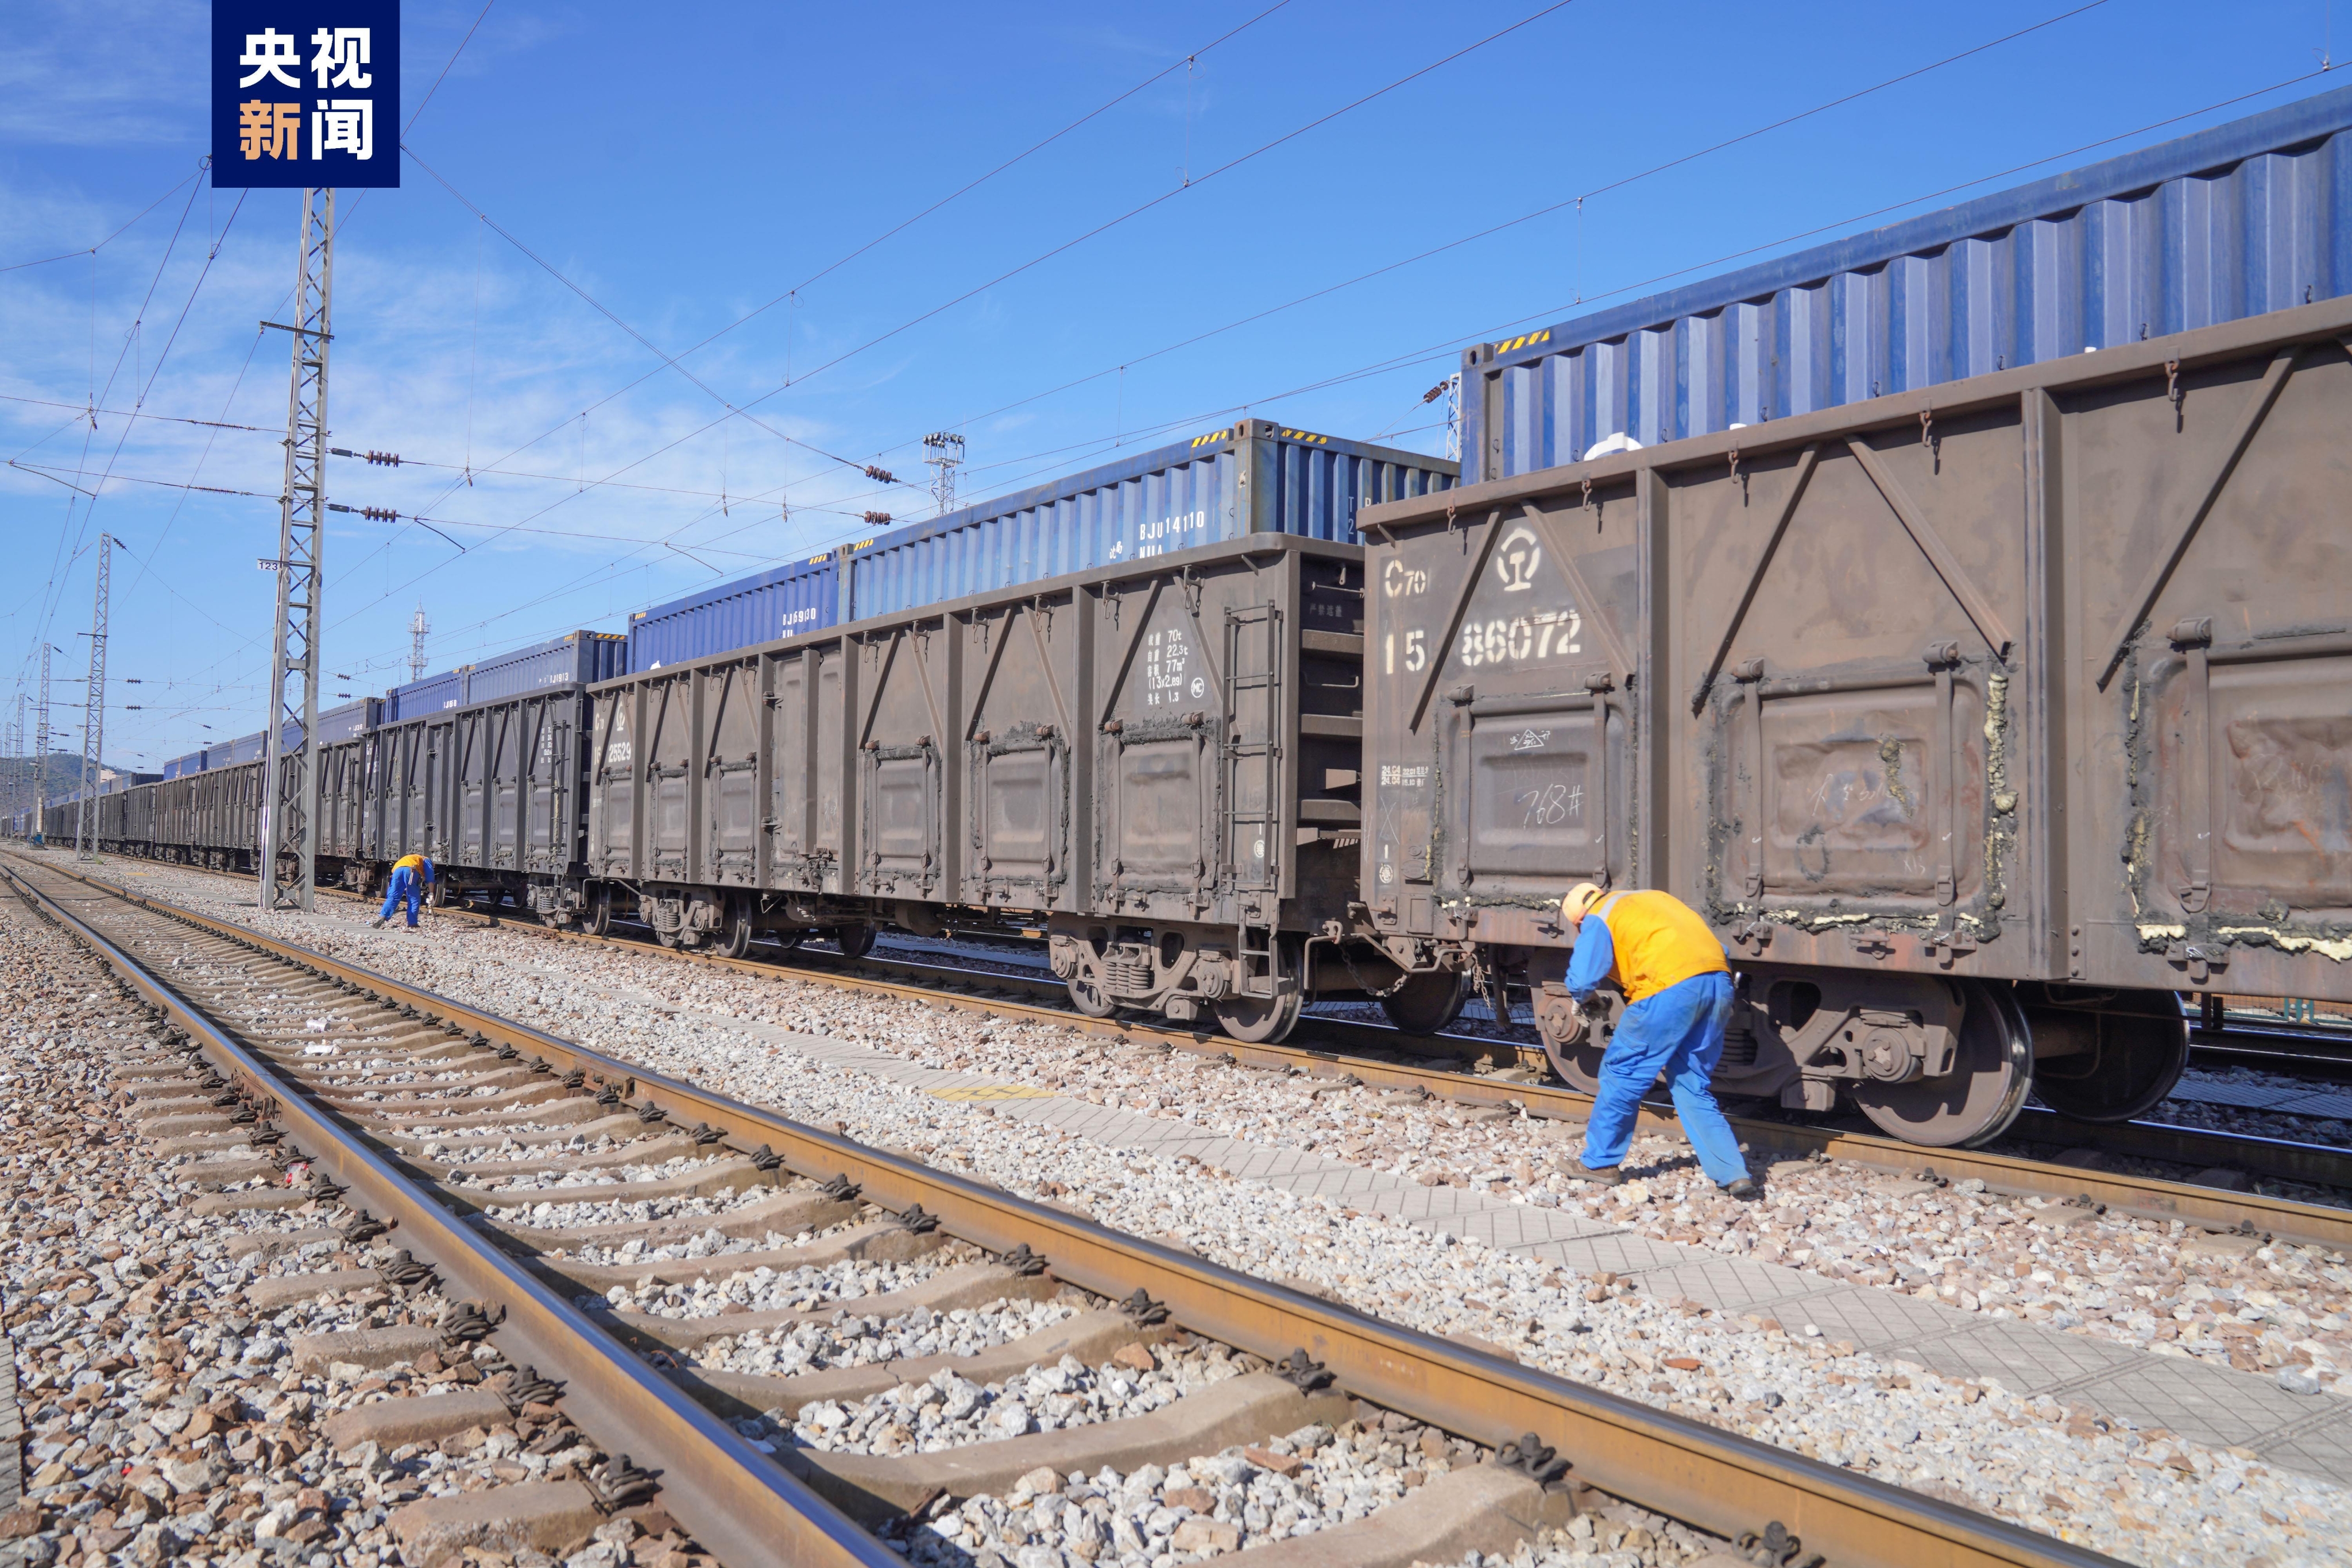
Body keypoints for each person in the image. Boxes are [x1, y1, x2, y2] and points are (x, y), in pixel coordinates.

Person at [1559, 881, 1757, 1198]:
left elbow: (1582, 979)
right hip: (1718, 984)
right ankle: (1733, 1173)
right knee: (1692, 1084)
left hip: (1669, 989)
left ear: (1579, 920)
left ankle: (1600, 1164)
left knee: (1622, 1073)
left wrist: (1582, 997)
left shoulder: (1598, 916)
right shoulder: (1652, 899)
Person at [373, 854, 435, 930]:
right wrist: (431, 893)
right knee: (413, 897)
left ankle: (383, 916)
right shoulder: (427, 860)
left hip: (397, 870)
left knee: (393, 896)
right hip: (411, 870)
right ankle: (412, 923)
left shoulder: (413, 857)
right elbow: (430, 878)